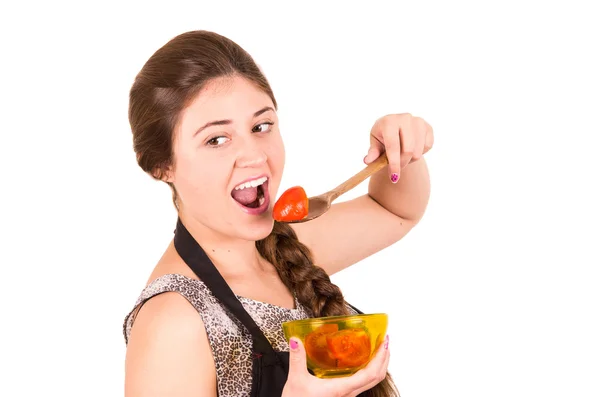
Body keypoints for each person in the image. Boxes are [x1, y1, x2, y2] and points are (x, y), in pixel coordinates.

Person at [122, 30, 433, 397]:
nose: (255, 155)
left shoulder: (283, 247)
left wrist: (400, 150)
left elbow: (395, 211)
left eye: (261, 126)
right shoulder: (172, 322)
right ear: (162, 166)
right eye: (216, 139)